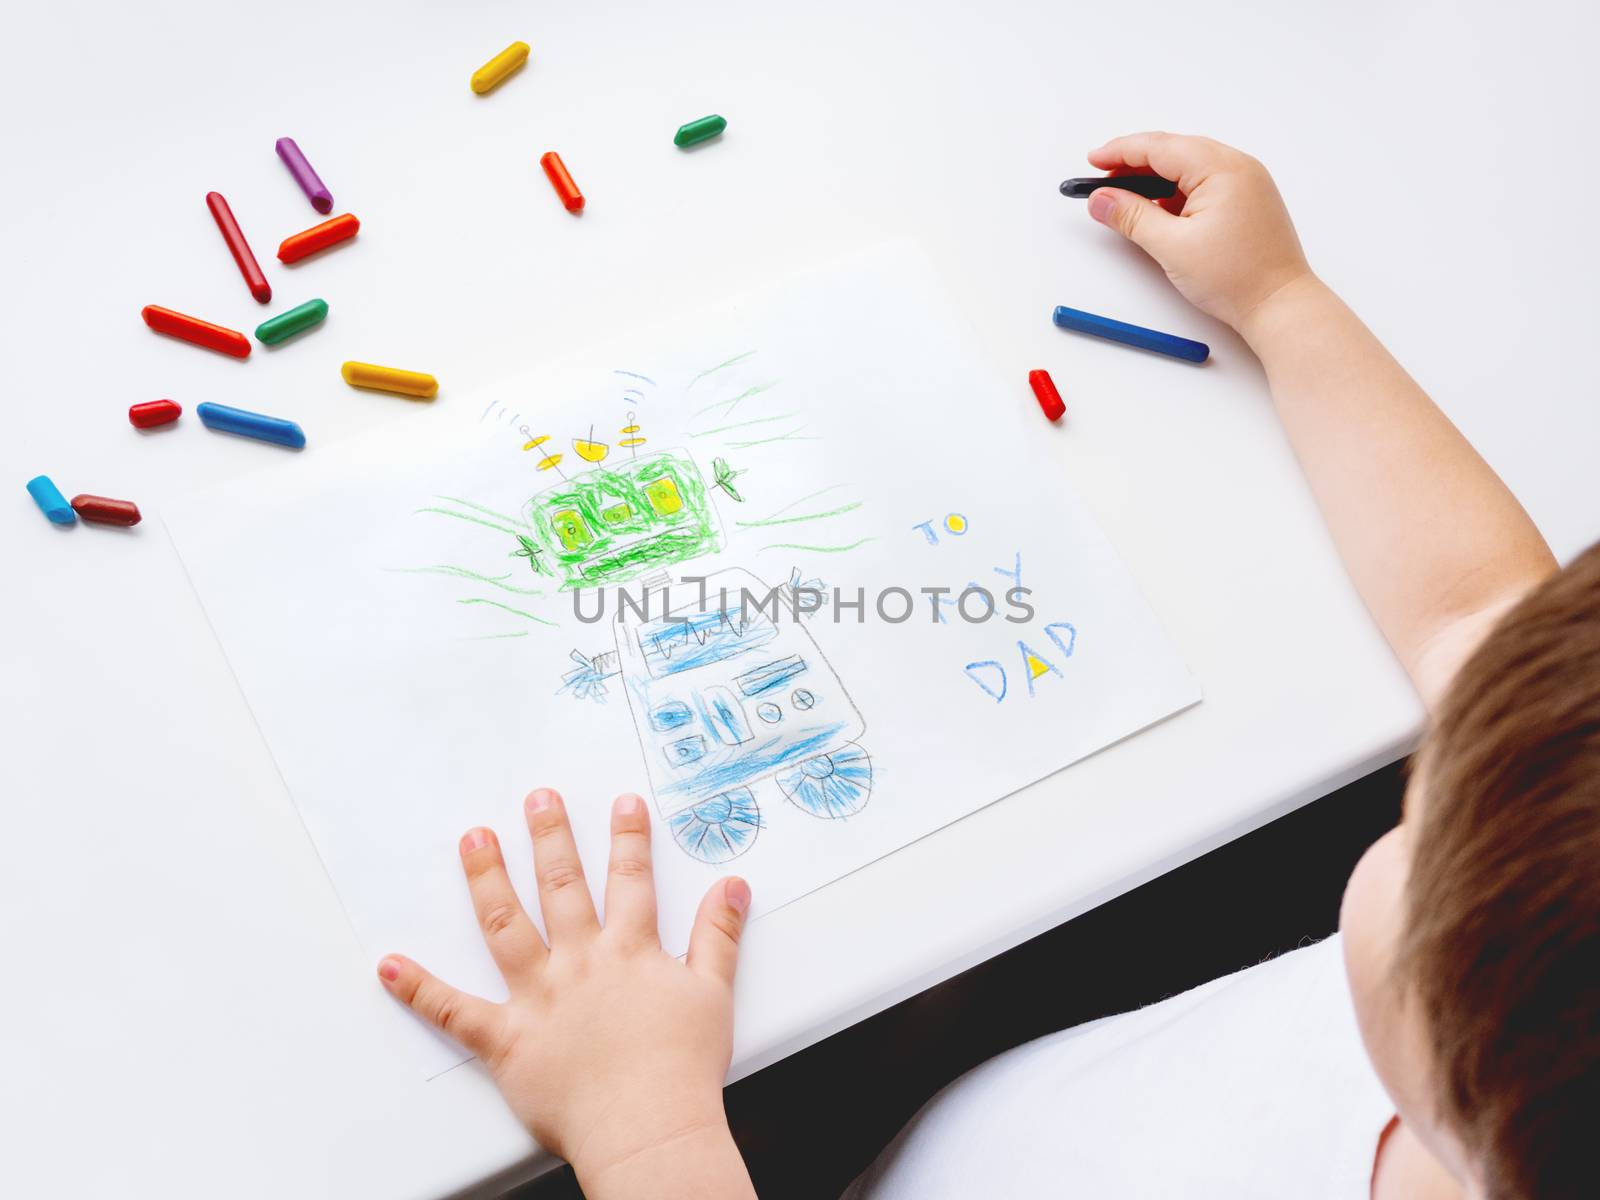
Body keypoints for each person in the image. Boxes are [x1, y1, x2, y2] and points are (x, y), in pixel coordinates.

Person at [376, 133, 1597, 1199]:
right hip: (1021, 1106)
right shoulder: (1535, 925)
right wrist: (1282, 301)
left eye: (1419, 836)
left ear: (1466, 1054)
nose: (1405, 819)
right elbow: (1477, 611)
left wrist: (643, 1130)